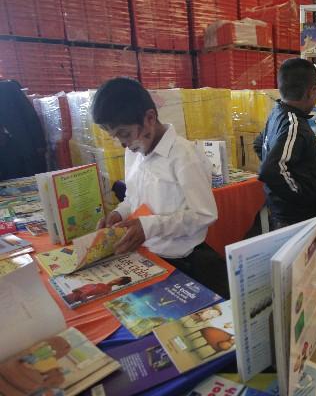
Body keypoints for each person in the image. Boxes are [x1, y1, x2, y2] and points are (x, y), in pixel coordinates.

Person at [91, 77, 229, 298]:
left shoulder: (184, 156)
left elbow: (204, 215)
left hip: (183, 263)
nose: (122, 144)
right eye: (115, 136)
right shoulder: (133, 153)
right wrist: (120, 213)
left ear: (150, 118)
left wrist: (149, 226)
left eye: (124, 133)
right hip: (145, 256)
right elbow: (133, 198)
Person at [253, 58, 316, 229]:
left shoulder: (277, 113)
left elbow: (259, 145)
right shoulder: (294, 124)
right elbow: (271, 169)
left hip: (284, 214)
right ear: (312, 90)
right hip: (295, 218)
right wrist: (303, 195)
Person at [64, 276, 132, 304]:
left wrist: (83, 295)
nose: (113, 281)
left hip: (74, 299)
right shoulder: (100, 284)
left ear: (119, 284)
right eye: (115, 279)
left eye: (116, 282)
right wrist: (79, 289)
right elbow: (84, 288)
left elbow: (90, 300)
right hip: (70, 295)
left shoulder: (107, 291)